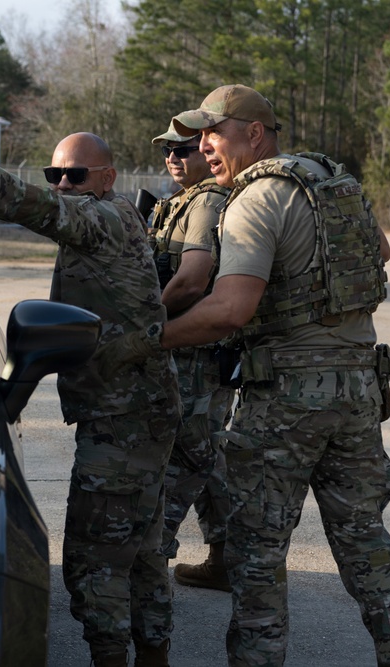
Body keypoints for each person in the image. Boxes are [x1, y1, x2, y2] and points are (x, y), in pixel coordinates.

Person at [101, 84, 390, 666]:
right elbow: (378, 250)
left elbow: (229, 310)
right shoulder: (332, 182)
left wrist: (143, 342)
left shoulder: (255, 199)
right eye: (199, 136)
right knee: (364, 540)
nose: (204, 147)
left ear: (253, 134)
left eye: (213, 134)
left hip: (286, 398)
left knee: (255, 553)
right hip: (358, 391)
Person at [0, 111, 181, 667]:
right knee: (140, 548)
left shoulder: (107, 218)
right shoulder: (102, 218)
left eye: (76, 176)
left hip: (126, 414)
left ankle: (114, 657)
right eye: (55, 175)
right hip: (135, 408)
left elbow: (32, 205)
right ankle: (154, 654)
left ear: (108, 178)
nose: (63, 185)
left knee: (96, 556)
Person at [148, 120, 237, 592]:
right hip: (193, 348)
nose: (174, 158)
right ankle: (229, 557)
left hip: (197, 352)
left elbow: (190, 280)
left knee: (185, 454)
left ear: (207, 151)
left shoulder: (207, 201)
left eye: (184, 150)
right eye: (168, 151)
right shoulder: (181, 200)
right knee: (208, 452)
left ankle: (149, 558)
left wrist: (145, 328)